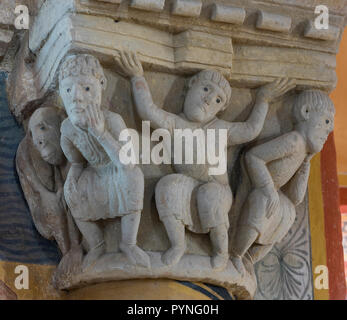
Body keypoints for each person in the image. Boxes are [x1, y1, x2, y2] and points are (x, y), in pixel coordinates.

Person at [116, 50, 295, 271]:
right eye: (206, 88)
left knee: (209, 195)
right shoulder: (174, 124)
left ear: (221, 109)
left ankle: (221, 250)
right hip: (189, 184)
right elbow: (147, 110)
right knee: (167, 186)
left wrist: (263, 100)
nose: (209, 99)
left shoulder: (220, 128)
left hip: (217, 190)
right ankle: (178, 245)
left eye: (218, 99)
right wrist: (137, 77)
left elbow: (251, 129)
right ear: (190, 85)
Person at [59, 54, 149, 269]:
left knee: (134, 177)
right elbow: (77, 163)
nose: (77, 97)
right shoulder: (67, 129)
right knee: (71, 193)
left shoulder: (112, 120)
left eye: (86, 88)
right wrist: (71, 182)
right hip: (94, 174)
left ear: (101, 85)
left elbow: (127, 162)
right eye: (68, 89)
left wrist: (101, 133)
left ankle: (128, 243)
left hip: (118, 172)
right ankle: (97, 244)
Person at [231, 90, 335, 275]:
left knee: (288, 210)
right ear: (306, 112)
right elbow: (253, 157)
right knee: (263, 202)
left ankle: (250, 257)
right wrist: (268, 188)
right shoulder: (294, 140)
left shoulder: (303, 151)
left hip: (275, 194)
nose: (329, 130)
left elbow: (295, 197)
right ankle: (235, 255)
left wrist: (306, 163)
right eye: (327, 121)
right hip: (261, 190)